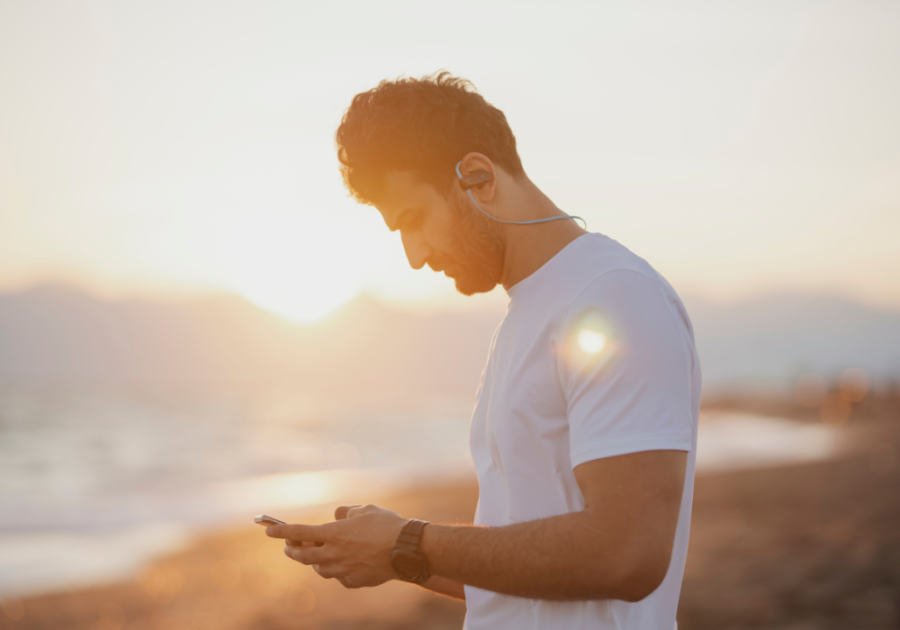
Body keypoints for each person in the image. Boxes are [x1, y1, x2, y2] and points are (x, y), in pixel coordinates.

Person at [266, 72, 701, 630]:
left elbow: (626, 554)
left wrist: (409, 539)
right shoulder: (531, 311)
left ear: (476, 177)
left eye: (414, 220)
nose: (414, 256)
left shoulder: (612, 297)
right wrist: (399, 555)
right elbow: (530, 570)